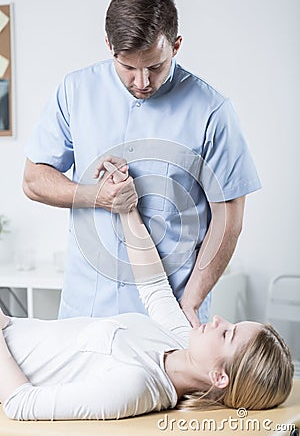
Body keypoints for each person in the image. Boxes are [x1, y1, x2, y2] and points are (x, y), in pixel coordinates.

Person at [22, 0, 262, 326]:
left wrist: (189, 305)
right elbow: (33, 180)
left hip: (169, 313)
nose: (142, 81)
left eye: (155, 66)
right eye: (128, 68)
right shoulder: (74, 91)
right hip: (86, 314)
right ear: (109, 46)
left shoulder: (213, 111)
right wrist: (97, 197)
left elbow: (229, 220)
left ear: (176, 45)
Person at [0, 164, 294, 420]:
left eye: (228, 334)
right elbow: (153, 285)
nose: (218, 321)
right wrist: (126, 205)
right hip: (11, 327)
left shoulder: (136, 386)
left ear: (219, 377)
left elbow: (22, 404)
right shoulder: (178, 342)